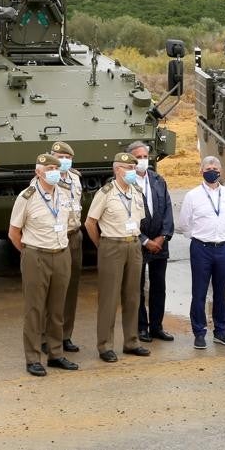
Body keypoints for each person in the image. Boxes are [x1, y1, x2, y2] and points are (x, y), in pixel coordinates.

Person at [8, 153, 77, 377]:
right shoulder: (26, 197)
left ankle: (56, 354)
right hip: (36, 256)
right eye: (48, 168)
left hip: (61, 254)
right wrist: (29, 253)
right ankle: (33, 358)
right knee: (34, 310)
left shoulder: (65, 194)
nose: (53, 172)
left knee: (57, 309)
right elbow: (14, 233)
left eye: (56, 168)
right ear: (38, 172)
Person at [85, 153, 150, 362]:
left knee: (133, 296)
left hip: (134, 245)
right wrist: (102, 245)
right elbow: (90, 223)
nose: (131, 171)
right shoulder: (105, 193)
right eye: (127, 168)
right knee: (109, 298)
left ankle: (131, 341)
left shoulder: (137, 191)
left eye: (133, 167)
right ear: (116, 170)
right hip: (111, 245)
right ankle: (105, 345)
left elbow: (139, 220)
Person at [176, 156, 225, 349]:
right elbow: (185, 223)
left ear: (221, 171)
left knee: (220, 291)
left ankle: (221, 331)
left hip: (224, 247)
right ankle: (199, 332)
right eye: (208, 167)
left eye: (216, 167)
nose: (212, 170)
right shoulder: (192, 195)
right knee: (199, 292)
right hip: (202, 248)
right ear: (201, 171)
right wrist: (200, 237)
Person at [126, 141, 174, 344]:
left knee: (158, 287)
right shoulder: (125, 182)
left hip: (160, 243)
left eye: (145, 157)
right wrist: (144, 241)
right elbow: (124, 218)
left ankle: (156, 327)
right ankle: (141, 327)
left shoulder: (157, 179)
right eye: (138, 157)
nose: (143, 161)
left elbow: (168, 210)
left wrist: (162, 237)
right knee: (137, 288)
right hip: (138, 242)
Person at [50, 141, 83, 355]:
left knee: (71, 289)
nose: (63, 160)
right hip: (55, 239)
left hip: (74, 236)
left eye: (66, 156)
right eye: (59, 156)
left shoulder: (75, 178)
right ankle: (48, 336)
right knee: (53, 290)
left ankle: (65, 335)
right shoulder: (46, 179)